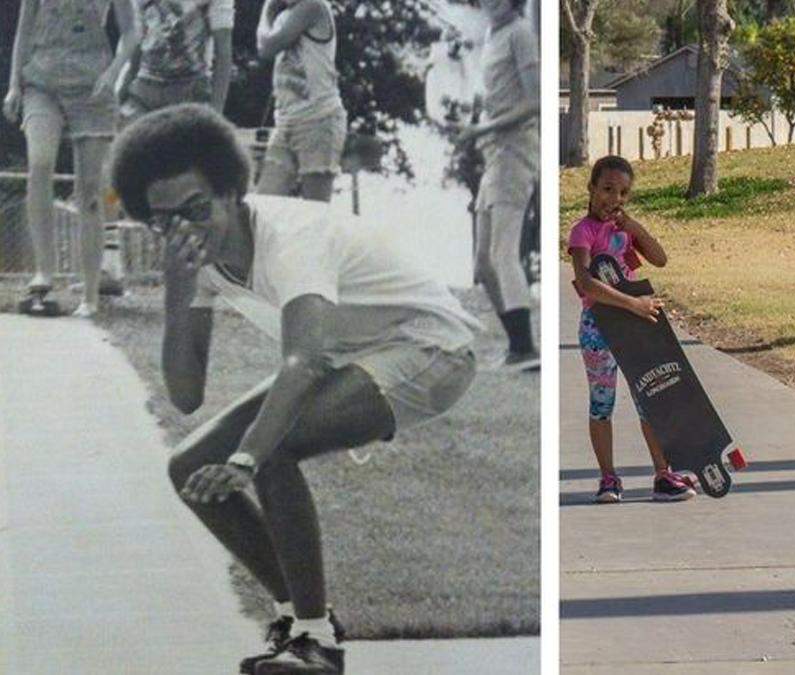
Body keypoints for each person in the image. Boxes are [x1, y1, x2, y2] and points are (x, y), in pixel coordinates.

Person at [109, 104, 483, 675]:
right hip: (356, 353)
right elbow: (185, 393)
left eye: (195, 209)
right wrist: (176, 284)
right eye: (163, 221)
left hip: (432, 349)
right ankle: (299, 619)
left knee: (272, 446)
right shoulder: (197, 259)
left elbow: (303, 361)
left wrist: (245, 457)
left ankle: (317, 643)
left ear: (234, 191)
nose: (182, 230)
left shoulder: (292, 238)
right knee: (188, 468)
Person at [567, 155, 697, 504]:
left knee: (650, 400)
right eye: (608, 189)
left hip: (637, 327)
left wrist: (633, 227)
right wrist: (632, 304)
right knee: (601, 404)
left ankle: (663, 474)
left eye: (623, 192)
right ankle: (609, 479)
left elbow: (660, 258)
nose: (615, 198)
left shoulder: (623, 230)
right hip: (600, 327)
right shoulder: (582, 232)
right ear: (592, 188)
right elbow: (587, 283)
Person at [3, 0, 137, 317]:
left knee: (91, 190)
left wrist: (114, 72)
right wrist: (13, 86)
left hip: (93, 85)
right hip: (41, 81)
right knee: (39, 163)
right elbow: (24, 31)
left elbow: (131, 32)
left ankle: (90, 293)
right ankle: (43, 271)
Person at [456, 0, 539, 371]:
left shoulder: (520, 33)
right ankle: (517, 346)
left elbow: (536, 101)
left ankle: (525, 349)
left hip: (515, 151)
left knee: (503, 253)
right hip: (494, 154)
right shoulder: (493, 33)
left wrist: (483, 128)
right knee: (483, 263)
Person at [255, 0, 347, 202]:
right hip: (286, 121)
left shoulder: (312, 7)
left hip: (318, 119)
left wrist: (267, 8)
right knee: (266, 203)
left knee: (316, 209)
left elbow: (266, 47)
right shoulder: (284, 16)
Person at [116, 0, 235, 121]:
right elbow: (135, 52)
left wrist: (215, 113)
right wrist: (119, 96)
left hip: (191, 91)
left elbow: (223, 54)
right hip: (144, 90)